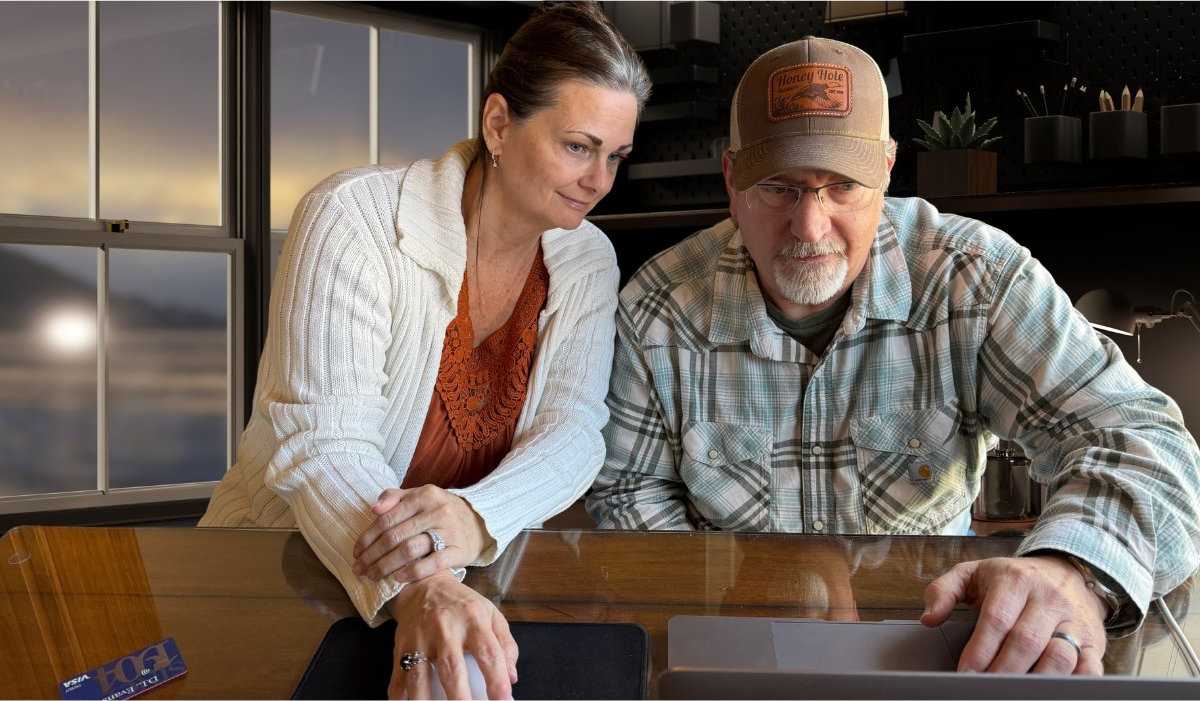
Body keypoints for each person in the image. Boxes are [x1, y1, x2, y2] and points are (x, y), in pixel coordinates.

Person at [588, 35, 1200, 676]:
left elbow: (1143, 439)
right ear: (732, 178)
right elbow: (629, 494)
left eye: (841, 186)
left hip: (937, 651)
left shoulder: (977, 280)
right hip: (733, 652)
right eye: (779, 187)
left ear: (884, 170)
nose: (809, 226)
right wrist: (730, 613)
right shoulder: (656, 310)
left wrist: (1072, 569)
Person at [200, 3, 649, 699]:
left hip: (460, 582)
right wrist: (424, 576)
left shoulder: (588, 258)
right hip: (287, 570)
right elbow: (323, 443)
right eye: (579, 146)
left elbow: (574, 431)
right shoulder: (353, 219)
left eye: (616, 154)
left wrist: (473, 521)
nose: (600, 181)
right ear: (499, 123)